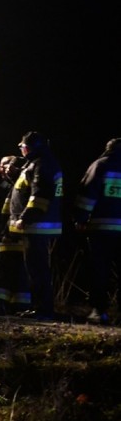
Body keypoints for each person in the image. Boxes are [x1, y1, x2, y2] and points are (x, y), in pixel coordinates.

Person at [8, 131, 64, 321]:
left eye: (23, 147)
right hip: (38, 226)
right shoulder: (40, 163)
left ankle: (42, 309)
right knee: (35, 269)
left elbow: (39, 196)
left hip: (37, 226)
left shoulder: (41, 164)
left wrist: (26, 217)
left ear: (29, 148)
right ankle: (39, 307)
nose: (22, 150)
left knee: (37, 269)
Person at [73, 137, 121, 326]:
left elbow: (87, 195)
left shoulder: (101, 165)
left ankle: (99, 311)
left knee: (100, 270)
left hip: (102, 228)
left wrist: (80, 218)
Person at [0, 155, 32, 315]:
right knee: (15, 273)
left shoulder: (17, 187)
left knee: (7, 272)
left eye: (8, 167)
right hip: (15, 237)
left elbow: (8, 214)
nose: (6, 170)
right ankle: (15, 306)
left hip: (12, 237)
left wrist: (4, 232)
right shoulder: (15, 186)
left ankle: (1, 305)